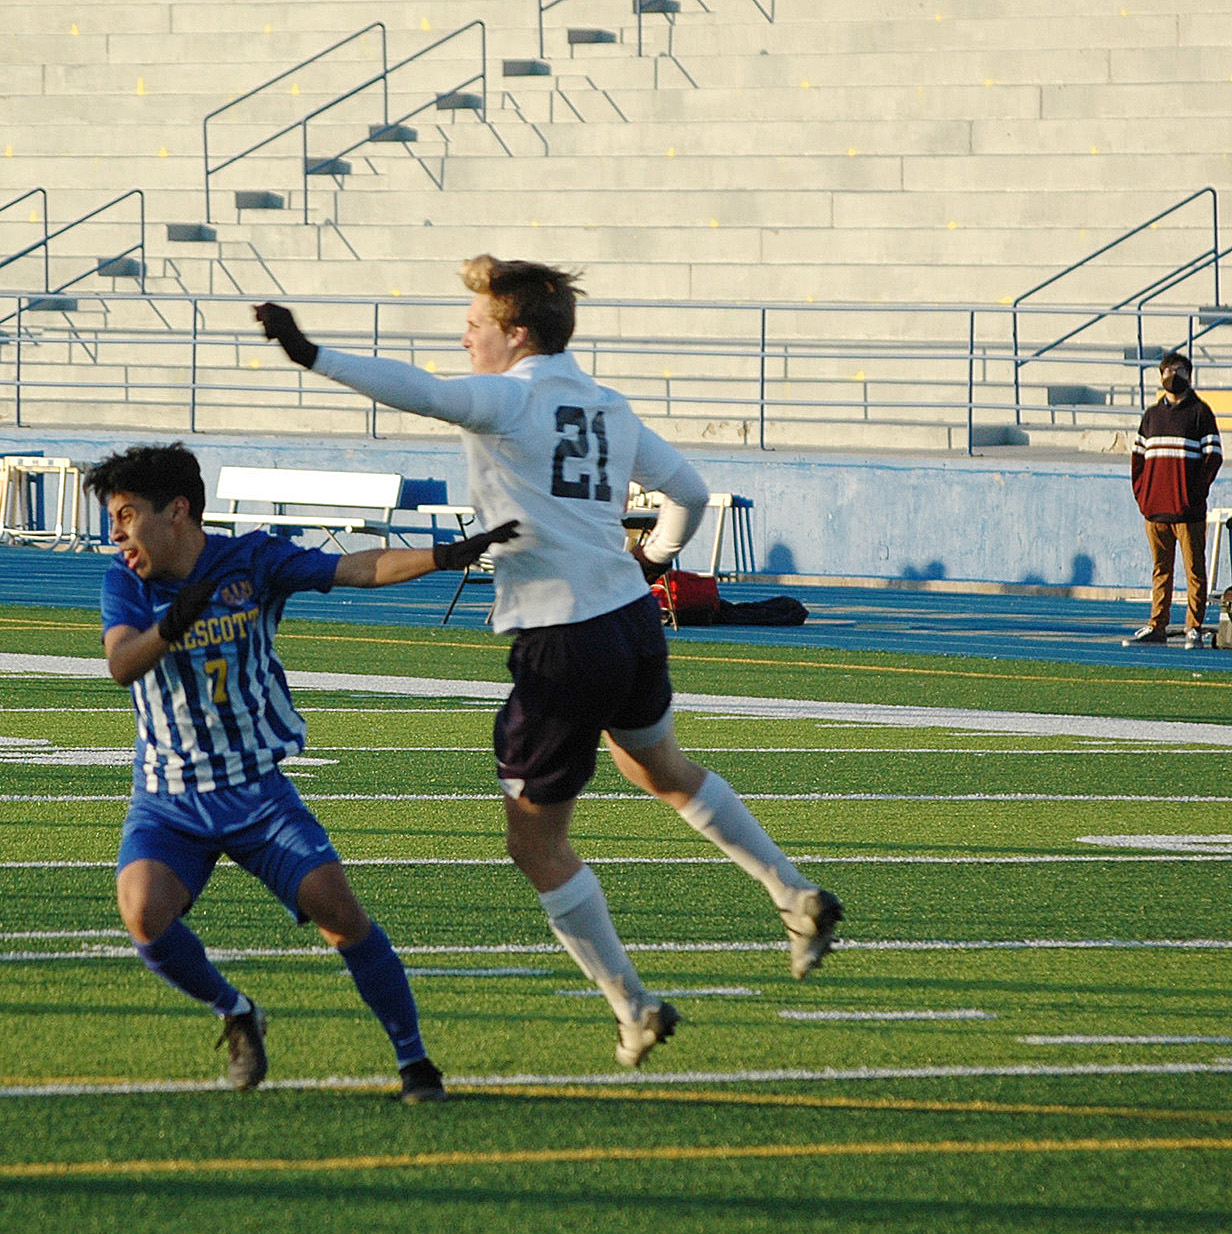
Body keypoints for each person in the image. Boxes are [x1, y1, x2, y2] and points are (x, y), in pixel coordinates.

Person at [255, 257, 844, 1068]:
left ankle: (634, 1009)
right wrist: (654, 563)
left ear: (517, 333)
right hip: (632, 621)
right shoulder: (609, 404)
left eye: (475, 325)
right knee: (660, 768)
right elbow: (692, 492)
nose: (465, 340)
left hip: (563, 638)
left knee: (535, 846)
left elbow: (417, 390)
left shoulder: (512, 396)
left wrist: (312, 354)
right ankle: (791, 892)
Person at [85, 442, 514, 1103]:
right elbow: (122, 665)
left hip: (256, 791)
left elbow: (355, 566)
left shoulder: (250, 561)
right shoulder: (127, 582)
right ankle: (235, 1012)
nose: (116, 534)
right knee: (144, 913)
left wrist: (440, 556)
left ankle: (414, 1062)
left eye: (124, 515)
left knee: (339, 911)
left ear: (176, 511)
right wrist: (174, 622)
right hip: (169, 798)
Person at [1127, 351, 1220, 649]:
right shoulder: (1151, 416)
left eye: (1178, 370)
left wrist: (1194, 494)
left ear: (1189, 375)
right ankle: (1157, 624)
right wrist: (1145, 498)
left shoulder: (1200, 413)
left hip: (1188, 512)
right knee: (1160, 570)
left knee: (1195, 570)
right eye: (1166, 371)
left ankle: (1194, 627)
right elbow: (1138, 461)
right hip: (1155, 512)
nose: (1171, 376)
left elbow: (1213, 457)